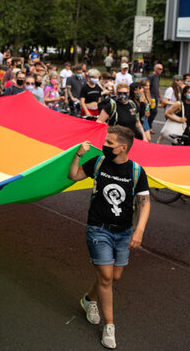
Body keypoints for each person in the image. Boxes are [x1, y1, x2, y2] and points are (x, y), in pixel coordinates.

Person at [69, 126, 150, 350]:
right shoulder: (97, 162)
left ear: (123, 148)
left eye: (110, 143)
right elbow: (73, 175)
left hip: (123, 232)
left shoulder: (136, 171)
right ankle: (109, 325)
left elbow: (144, 203)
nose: (105, 145)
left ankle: (88, 300)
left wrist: (139, 230)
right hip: (98, 228)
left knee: (114, 276)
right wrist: (78, 155)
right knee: (105, 276)